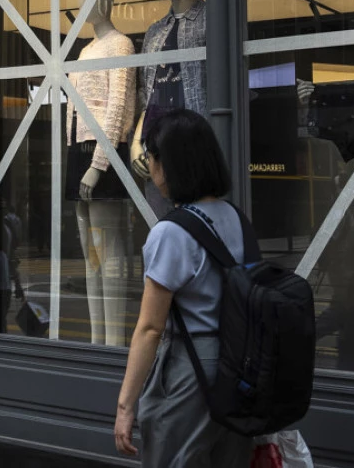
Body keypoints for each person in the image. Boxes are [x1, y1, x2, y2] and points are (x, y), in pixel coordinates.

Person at [114, 108, 253, 467]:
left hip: (191, 367)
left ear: (169, 163)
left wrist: (126, 406)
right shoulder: (237, 218)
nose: (150, 167)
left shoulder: (171, 232)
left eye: (151, 157)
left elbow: (149, 328)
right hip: (241, 364)